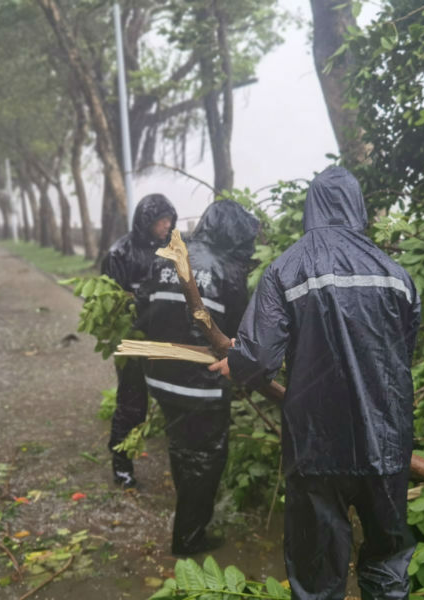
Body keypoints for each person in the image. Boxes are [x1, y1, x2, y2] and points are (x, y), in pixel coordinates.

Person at [210, 166, 421, 600]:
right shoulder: (396, 276)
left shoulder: (286, 270)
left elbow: (259, 357)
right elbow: (403, 355)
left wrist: (236, 364)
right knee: (387, 561)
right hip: (387, 445)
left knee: (317, 572)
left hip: (317, 447)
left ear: (312, 208)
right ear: (359, 209)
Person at [138, 199, 259, 556]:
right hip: (202, 386)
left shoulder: (167, 255)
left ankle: (188, 526)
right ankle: (188, 541)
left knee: (182, 450)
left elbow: (142, 313)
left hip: (161, 378)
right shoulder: (227, 269)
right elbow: (243, 334)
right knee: (205, 461)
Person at [101, 193, 177, 489]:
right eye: (162, 220)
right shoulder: (120, 253)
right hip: (133, 339)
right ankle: (121, 465)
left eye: (170, 220)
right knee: (132, 404)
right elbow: (112, 303)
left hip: (166, 338)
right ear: (147, 222)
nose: (167, 225)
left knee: (173, 399)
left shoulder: (172, 249)